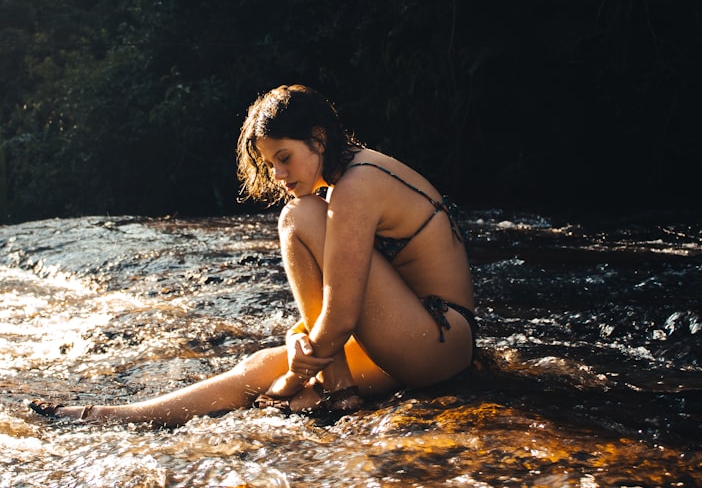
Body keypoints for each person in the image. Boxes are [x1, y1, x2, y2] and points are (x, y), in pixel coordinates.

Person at [30, 84, 476, 425]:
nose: (279, 174)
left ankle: (335, 387)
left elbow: (341, 317)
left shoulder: (357, 186)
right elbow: (344, 303)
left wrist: (298, 370)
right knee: (261, 370)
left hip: (434, 338)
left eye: (285, 157)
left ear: (318, 139)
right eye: (270, 165)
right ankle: (113, 417)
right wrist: (300, 344)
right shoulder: (354, 175)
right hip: (428, 343)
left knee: (297, 216)